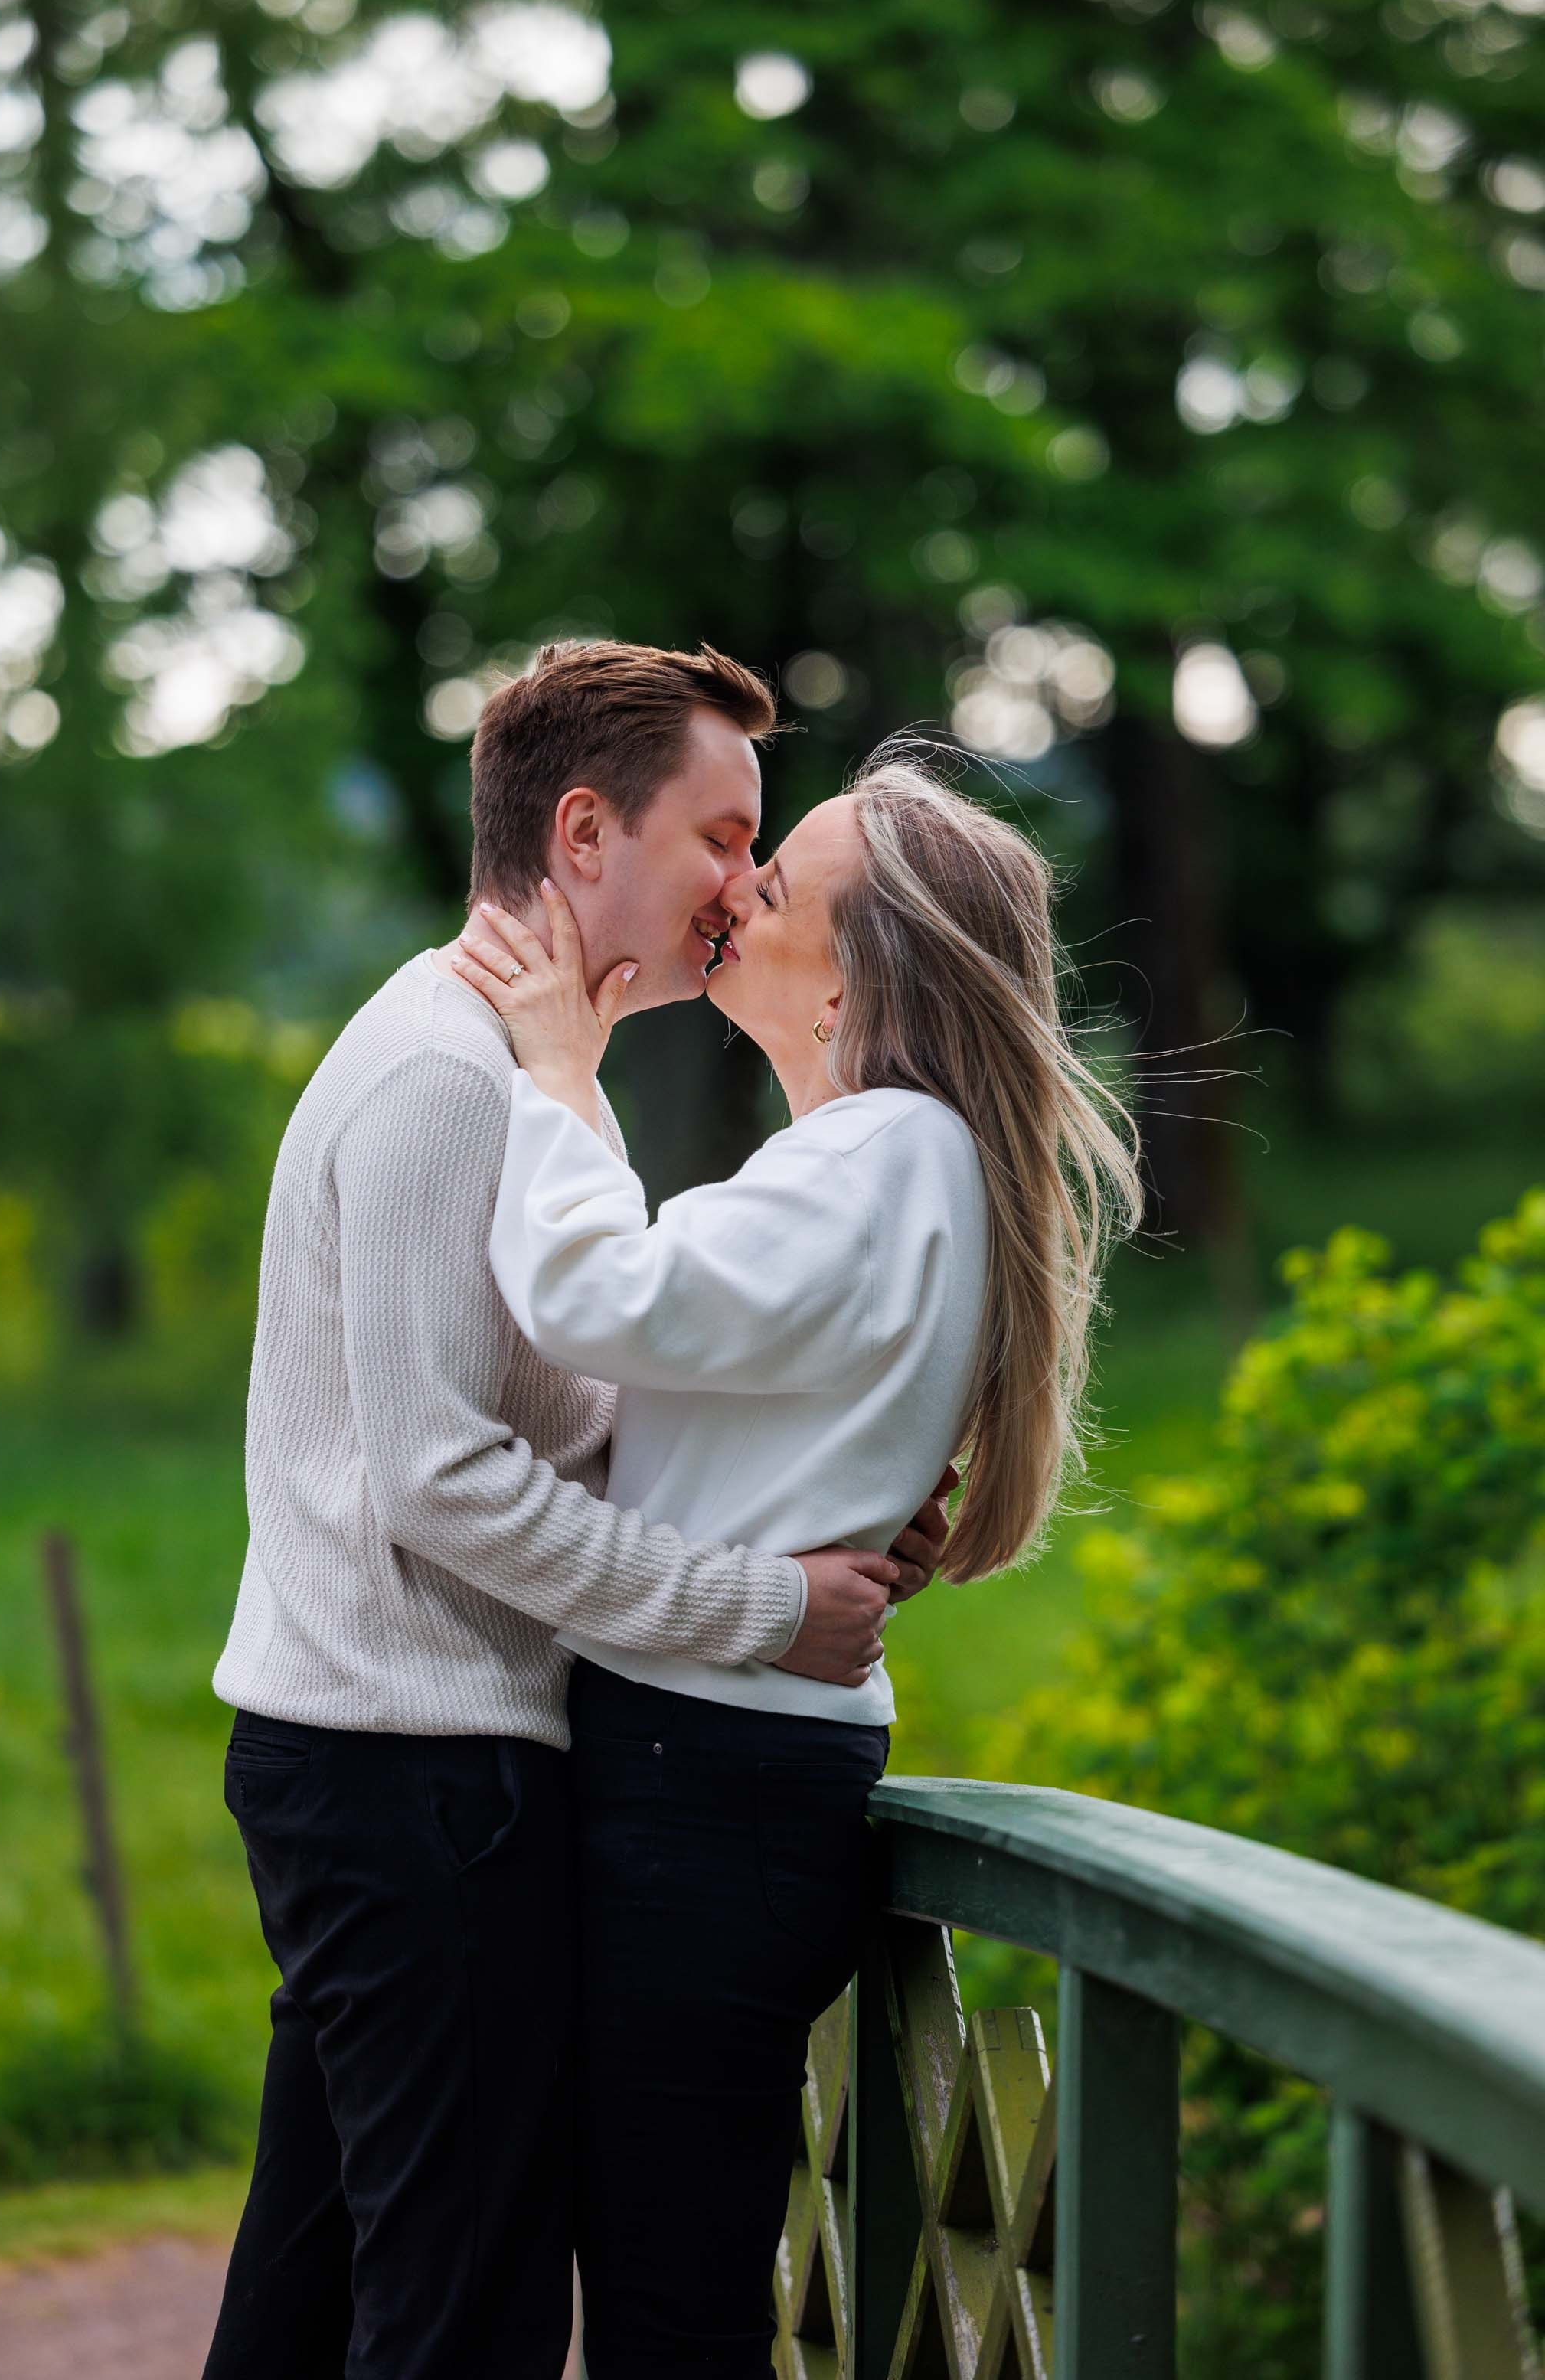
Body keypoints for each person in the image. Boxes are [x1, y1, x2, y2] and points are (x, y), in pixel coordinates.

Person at [201, 645, 952, 2380]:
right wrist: (762, 1611)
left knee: (316, 2292)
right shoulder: (446, 1081)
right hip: (413, 1776)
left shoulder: (536, 1076)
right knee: (461, 2316)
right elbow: (442, 1479)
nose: (746, 887)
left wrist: (815, 1507)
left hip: (407, 1766)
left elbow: (572, 1420)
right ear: (589, 830)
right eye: (723, 836)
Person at [452, 740, 1142, 2378]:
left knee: (669, 2300)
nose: (738, 892)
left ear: (856, 977)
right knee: (669, 2271)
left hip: (707, 1788)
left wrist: (557, 1070)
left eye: (779, 881)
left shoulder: (876, 1158)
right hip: (736, 1778)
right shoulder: (890, 1162)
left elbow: (595, 1300)